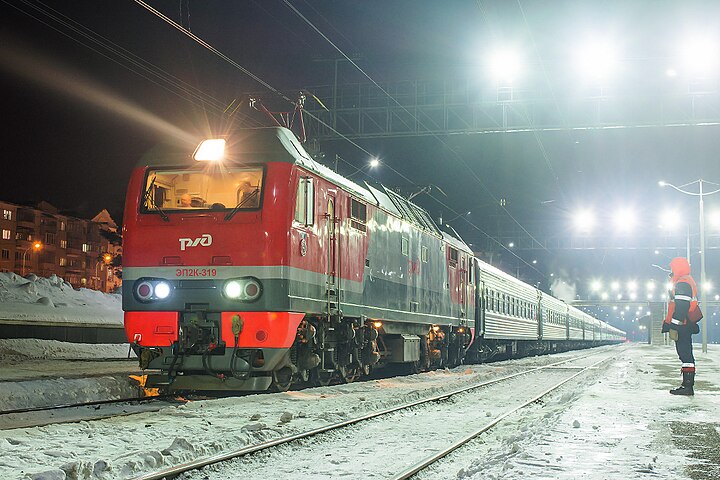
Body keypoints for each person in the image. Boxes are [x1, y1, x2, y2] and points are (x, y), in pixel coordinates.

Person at [661, 257, 702, 396]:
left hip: (683, 325)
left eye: (673, 268)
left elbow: (681, 307)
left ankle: (687, 387)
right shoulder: (683, 281)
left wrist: (673, 326)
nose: (671, 270)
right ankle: (687, 385)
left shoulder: (683, 283)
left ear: (678, 268)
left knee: (685, 355)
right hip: (684, 324)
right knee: (685, 355)